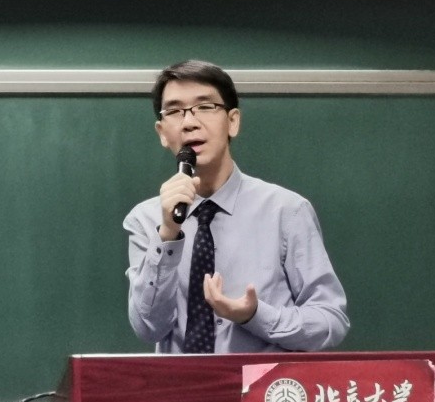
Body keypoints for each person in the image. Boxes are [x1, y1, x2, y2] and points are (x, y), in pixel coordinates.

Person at [125, 60, 349, 353]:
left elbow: (330, 321)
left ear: (233, 121)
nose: (189, 122)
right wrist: (167, 234)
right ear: (162, 132)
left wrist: (255, 316)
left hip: (262, 382)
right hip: (178, 383)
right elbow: (148, 327)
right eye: (175, 111)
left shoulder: (286, 211)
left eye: (205, 107)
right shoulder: (146, 220)